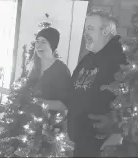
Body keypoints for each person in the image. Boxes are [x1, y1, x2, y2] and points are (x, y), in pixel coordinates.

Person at [45, 11, 128, 156]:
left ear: (106, 30)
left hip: (104, 147)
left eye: (90, 28)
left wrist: (119, 133)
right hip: (80, 143)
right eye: (85, 29)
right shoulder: (87, 59)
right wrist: (64, 122)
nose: (85, 33)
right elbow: (73, 95)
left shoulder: (121, 60)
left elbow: (133, 102)